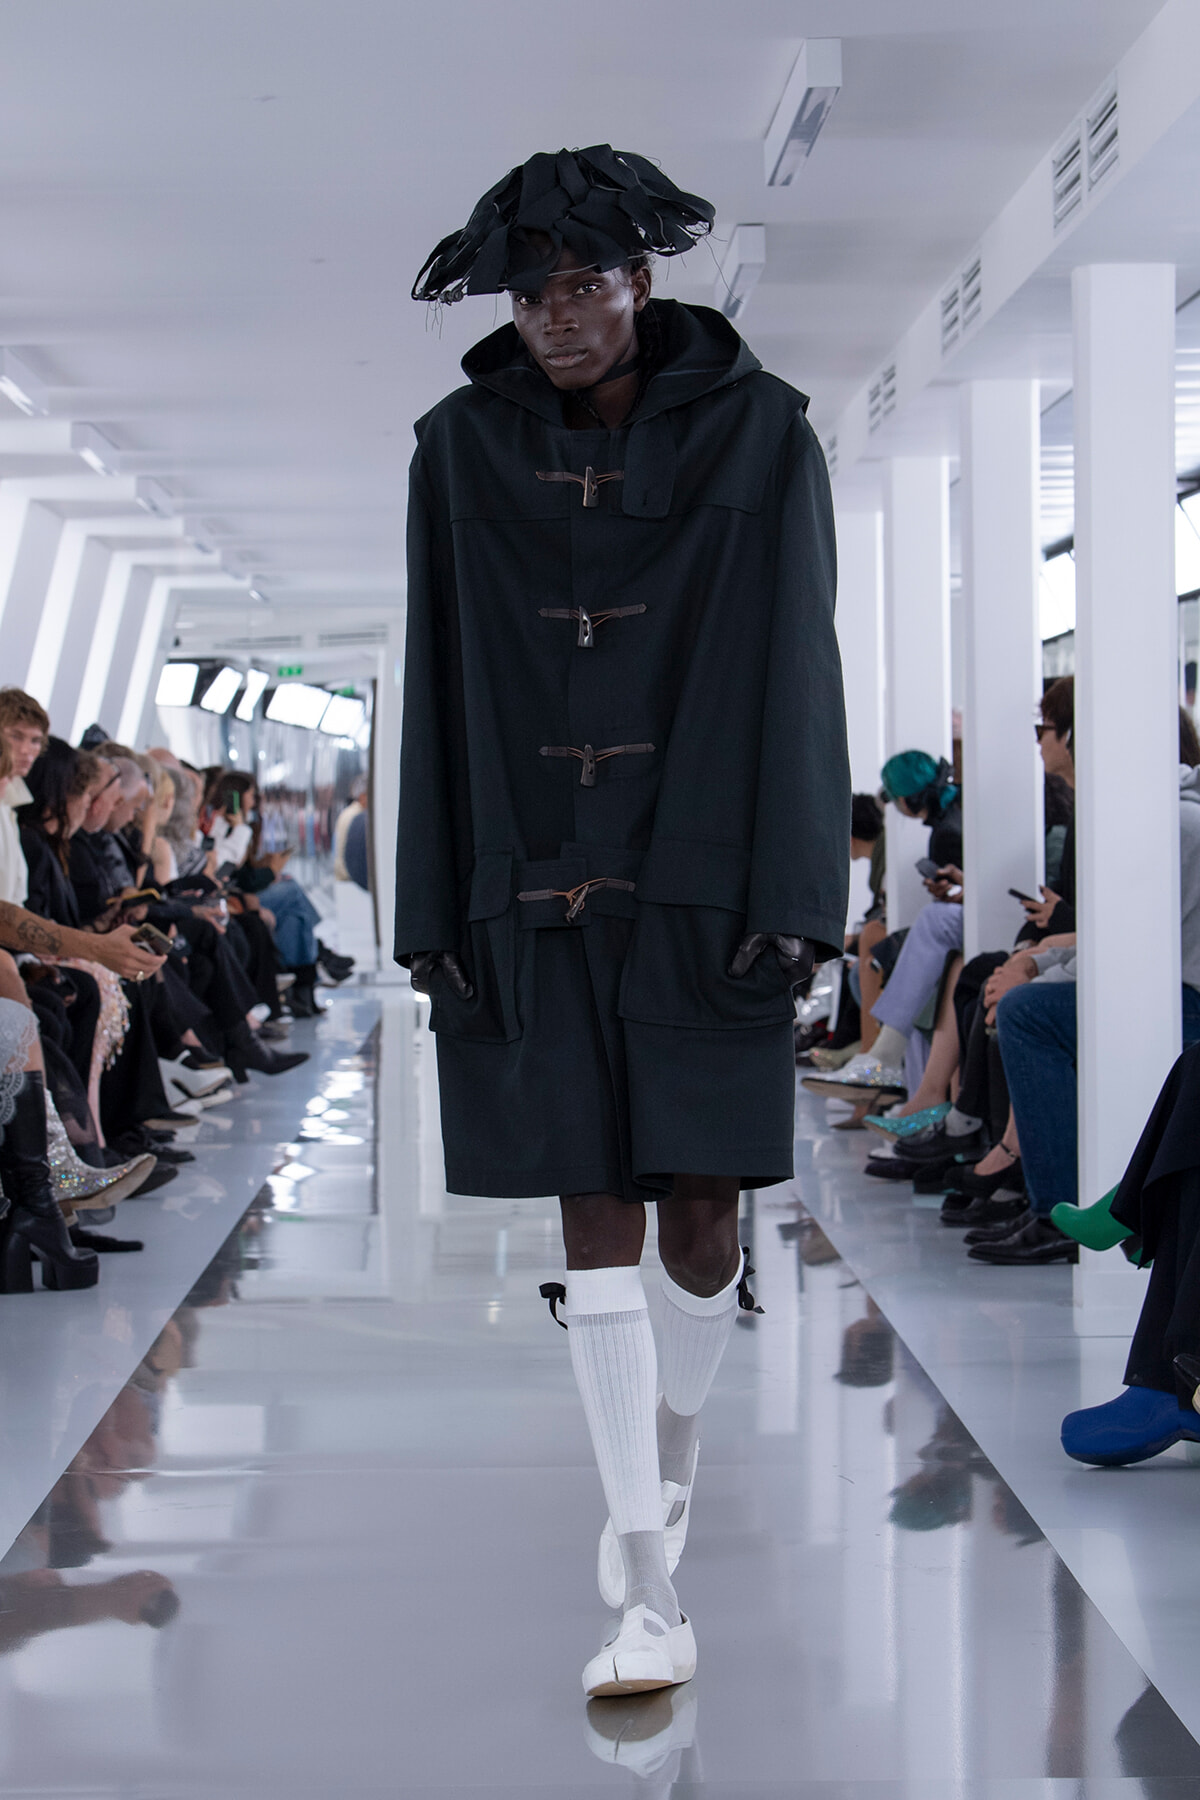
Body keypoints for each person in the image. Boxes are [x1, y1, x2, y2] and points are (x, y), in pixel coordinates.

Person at [396, 145, 849, 1699]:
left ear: (641, 282)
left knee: (705, 1223)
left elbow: (802, 666)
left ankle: (673, 1452)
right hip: (534, 881)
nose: (555, 317)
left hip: (710, 885)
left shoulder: (766, 435)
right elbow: (439, 674)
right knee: (589, 1212)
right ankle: (647, 1583)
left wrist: (802, 894)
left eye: (580, 285)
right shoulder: (457, 451)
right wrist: (431, 905)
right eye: (530, 294)